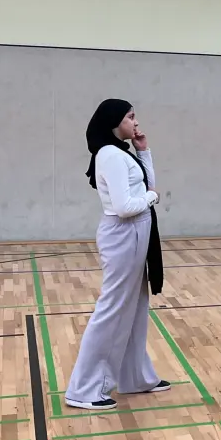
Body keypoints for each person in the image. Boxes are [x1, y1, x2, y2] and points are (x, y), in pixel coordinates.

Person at [64, 99, 168, 410]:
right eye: (130, 117)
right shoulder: (109, 155)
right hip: (124, 234)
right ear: (114, 122)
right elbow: (125, 206)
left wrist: (144, 151)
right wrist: (152, 197)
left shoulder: (122, 152)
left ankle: (135, 377)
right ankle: (83, 389)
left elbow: (145, 185)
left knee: (136, 306)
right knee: (113, 309)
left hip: (136, 231)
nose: (136, 122)